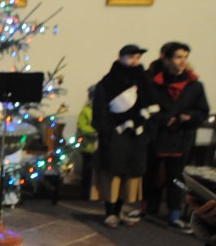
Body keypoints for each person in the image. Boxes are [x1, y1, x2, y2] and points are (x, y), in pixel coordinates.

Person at [91, 44, 161, 228]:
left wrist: (148, 133)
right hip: (116, 134)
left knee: (130, 174)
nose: (135, 61)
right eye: (131, 57)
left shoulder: (144, 81)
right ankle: (110, 212)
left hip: (137, 136)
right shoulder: (108, 82)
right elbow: (100, 110)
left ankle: (120, 210)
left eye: (138, 58)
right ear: (121, 57)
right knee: (113, 174)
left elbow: (153, 106)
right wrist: (107, 132)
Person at [143, 41, 211, 231]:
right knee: (151, 174)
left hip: (181, 137)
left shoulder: (195, 86)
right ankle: (147, 208)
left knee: (176, 178)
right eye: (178, 57)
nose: (182, 61)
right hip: (158, 135)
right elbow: (146, 107)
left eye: (185, 57)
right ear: (166, 59)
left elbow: (202, 111)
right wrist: (164, 118)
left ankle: (174, 214)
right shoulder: (154, 83)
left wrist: (187, 117)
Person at [75, 84, 98, 200]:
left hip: (100, 147)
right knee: (87, 171)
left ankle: (95, 193)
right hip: (88, 146)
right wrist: (94, 131)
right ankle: (85, 193)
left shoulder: (103, 110)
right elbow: (82, 127)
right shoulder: (86, 111)